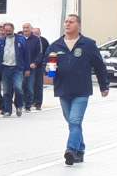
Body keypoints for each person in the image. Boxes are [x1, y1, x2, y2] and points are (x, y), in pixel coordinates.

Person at [47, 13, 109, 165]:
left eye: (71, 22)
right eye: (66, 22)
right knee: (72, 122)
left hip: (81, 90)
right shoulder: (56, 45)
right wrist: (49, 69)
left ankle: (71, 149)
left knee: (75, 121)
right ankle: (80, 149)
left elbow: (99, 66)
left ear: (79, 25)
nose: (67, 24)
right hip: (63, 89)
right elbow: (48, 67)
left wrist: (103, 85)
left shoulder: (87, 44)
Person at [0, 21, 31, 117]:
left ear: (13, 29)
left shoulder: (21, 39)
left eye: (9, 30)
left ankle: (19, 106)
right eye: (6, 30)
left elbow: (27, 55)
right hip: (5, 68)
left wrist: (27, 68)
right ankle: (7, 110)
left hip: (18, 68)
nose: (8, 32)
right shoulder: (0, 41)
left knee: (18, 88)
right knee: (6, 90)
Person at [24, 23, 50, 111]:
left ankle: (37, 103)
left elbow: (44, 53)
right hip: (26, 67)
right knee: (25, 85)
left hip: (38, 66)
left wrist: (39, 63)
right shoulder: (23, 39)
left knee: (37, 86)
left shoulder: (42, 41)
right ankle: (27, 102)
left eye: (37, 33)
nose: (35, 34)